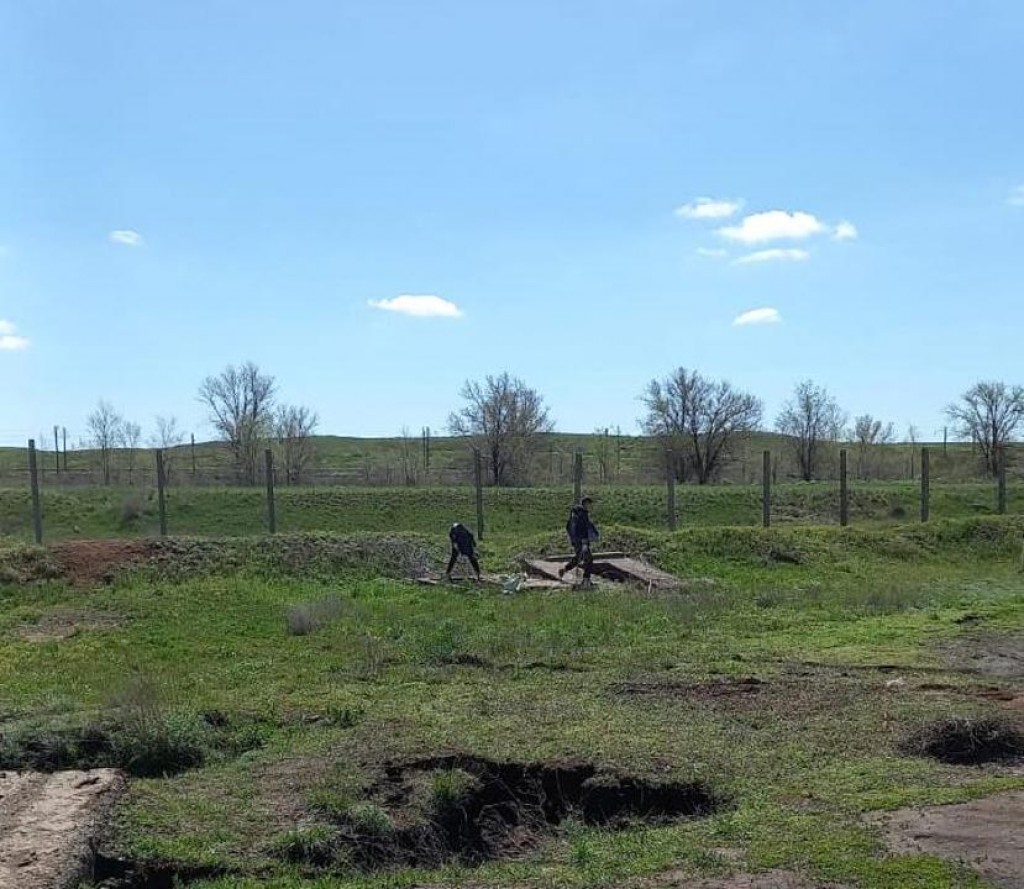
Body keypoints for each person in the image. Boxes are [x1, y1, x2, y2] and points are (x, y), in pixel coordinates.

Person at [559, 497, 598, 586]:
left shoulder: (581, 513)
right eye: (589, 504)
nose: (590, 506)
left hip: (581, 541)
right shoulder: (580, 514)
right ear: (585, 504)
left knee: (579, 558)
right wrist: (582, 540)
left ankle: (564, 570)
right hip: (581, 541)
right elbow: (578, 529)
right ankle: (586, 580)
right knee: (588, 560)